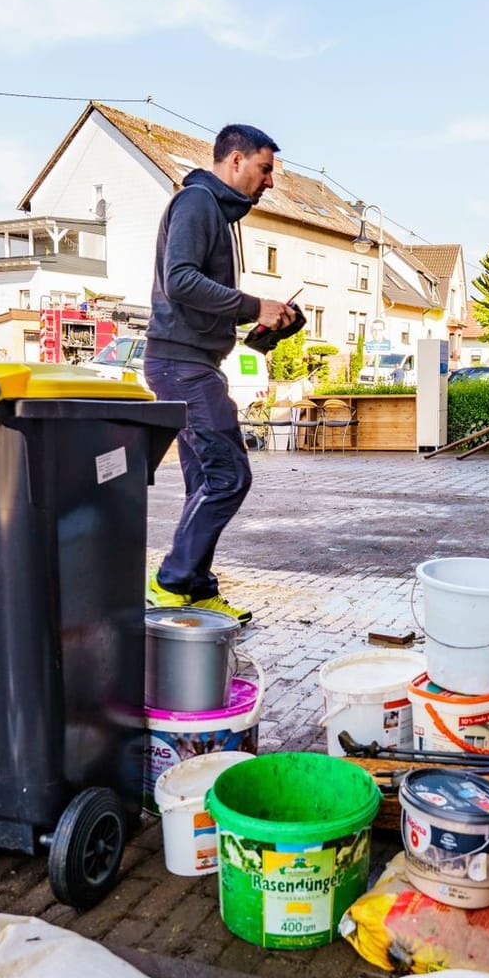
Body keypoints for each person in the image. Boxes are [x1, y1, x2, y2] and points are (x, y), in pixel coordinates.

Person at [143, 123, 296, 623]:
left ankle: (196, 585)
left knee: (205, 481)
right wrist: (255, 305)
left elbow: (203, 295)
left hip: (196, 362)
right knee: (229, 476)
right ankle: (169, 582)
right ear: (235, 161)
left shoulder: (218, 212)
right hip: (180, 364)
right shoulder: (196, 204)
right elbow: (180, 279)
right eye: (265, 168)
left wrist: (269, 323)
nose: (270, 181)